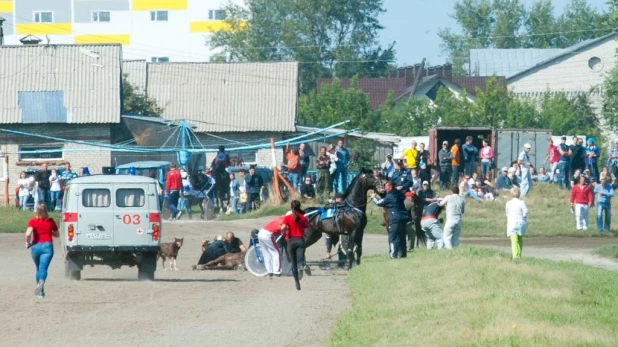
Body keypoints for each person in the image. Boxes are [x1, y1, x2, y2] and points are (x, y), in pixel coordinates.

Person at [25, 204, 59, 298]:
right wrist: (48, 232)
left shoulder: (33, 221)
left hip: (36, 246)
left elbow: (28, 234)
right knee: (43, 268)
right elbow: (57, 234)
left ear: (37, 211)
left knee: (38, 268)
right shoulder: (50, 221)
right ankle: (42, 282)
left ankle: (41, 292)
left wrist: (27, 243)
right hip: (47, 246)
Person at [371, 181, 408, 259]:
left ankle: (393, 256)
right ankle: (403, 255)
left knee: (393, 238)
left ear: (390, 187)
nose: (385, 189)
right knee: (401, 237)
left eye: (386, 187)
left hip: (395, 220)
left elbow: (379, 203)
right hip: (403, 219)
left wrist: (373, 197)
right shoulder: (399, 194)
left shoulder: (390, 196)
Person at [281, 200, 309, 290]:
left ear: (291, 207)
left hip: (291, 241)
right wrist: (303, 234)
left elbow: (283, 227)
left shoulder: (288, 217)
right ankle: (302, 265)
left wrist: (283, 233)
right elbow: (306, 230)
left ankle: (297, 282)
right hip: (300, 240)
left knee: (293, 264)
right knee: (300, 258)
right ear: (299, 206)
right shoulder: (303, 218)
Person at [505, 187, 528, 260]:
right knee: (520, 239)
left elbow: (507, 213)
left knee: (514, 241)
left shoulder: (508, 203)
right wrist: (524, 218)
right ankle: (519, 254)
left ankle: (515, 256)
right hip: (520, 222)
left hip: (512, 223)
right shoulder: (521, 202)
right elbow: (526, 211)